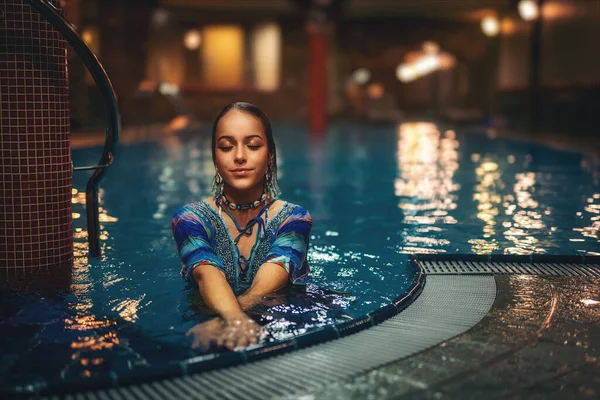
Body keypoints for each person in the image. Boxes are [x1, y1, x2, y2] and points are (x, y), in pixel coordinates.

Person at [171, 102, 312, 351]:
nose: (239, 156)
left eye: (253, 145)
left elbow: (270, 282)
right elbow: (205, 272)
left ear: (269, 155)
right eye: (226, 146)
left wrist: (226, 319)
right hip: (204, 326)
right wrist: (236, 320)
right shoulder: (189, 219)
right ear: (215, 156)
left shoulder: (295, 219)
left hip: (283, 326)